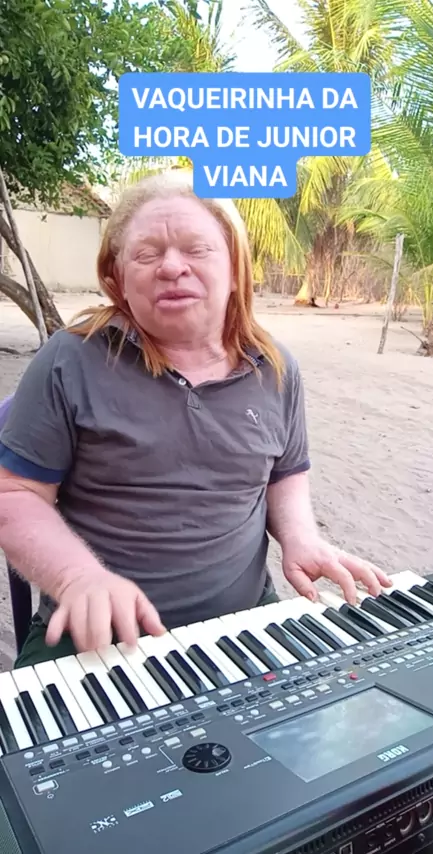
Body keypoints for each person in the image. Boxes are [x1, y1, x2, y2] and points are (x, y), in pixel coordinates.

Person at [0, 170, 391, 669]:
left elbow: (285, 473)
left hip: (242, 623)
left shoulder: (275, 368)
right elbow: (14, 494)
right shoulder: (69, 360)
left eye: (196, 249)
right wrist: (76, 577)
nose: (171, 267)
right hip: (93, 636)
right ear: (117, 278)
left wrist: (300, 536)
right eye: (146, 254)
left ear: (236, 269)